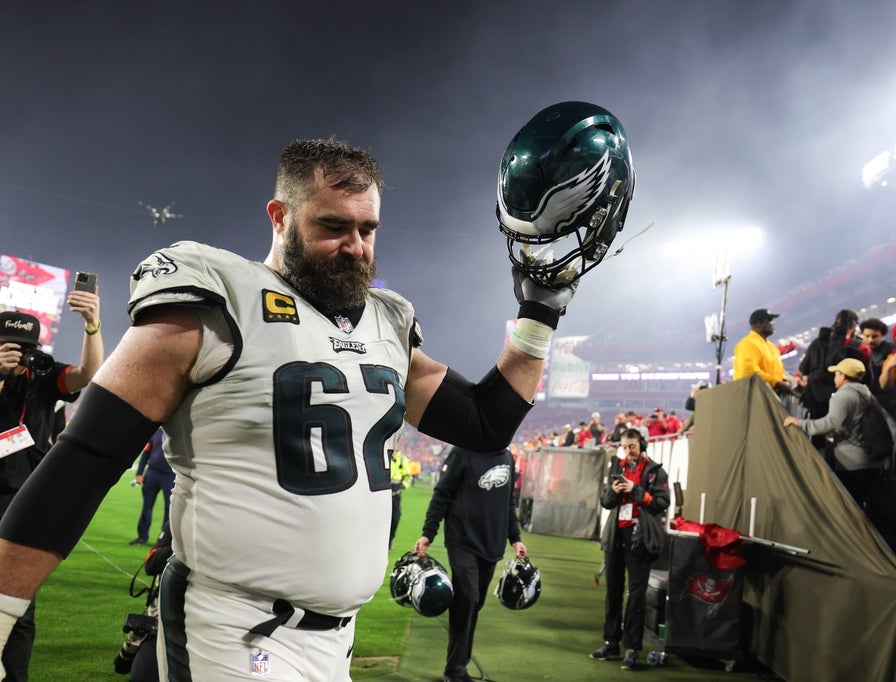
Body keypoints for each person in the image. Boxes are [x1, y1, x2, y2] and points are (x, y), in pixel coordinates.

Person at [0, 102, 634, 681]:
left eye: (368, 229)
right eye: (334, 226)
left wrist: (541, 308)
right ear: (280, 216)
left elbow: (483, 423)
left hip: (335, 643)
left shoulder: (387, 321)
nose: (355, 247)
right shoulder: (216, 298)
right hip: (229, 633)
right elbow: (86, 459)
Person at [0, 290, 103, 681]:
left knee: (18, 603)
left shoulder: (41, 377)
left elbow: (89, 374)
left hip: (25, 500)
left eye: (28, 348)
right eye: (11, 347)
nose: (21, 355)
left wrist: (92, 325)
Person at [414, 447, 526, 682]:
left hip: (492, 545)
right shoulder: (462, 453)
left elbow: (508, 504)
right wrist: (428, 533)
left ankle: (459, 665)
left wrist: (515, 538)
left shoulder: (507, 457)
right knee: (466, 600)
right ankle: (454, 670)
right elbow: (442, 494)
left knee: (474, 605)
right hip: (462, 541)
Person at [590, 428, 669, 670]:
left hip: (640, 538)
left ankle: (632, 648)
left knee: (636, 596)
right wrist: (615, 491)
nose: (628, 451)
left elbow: (661, 504)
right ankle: (611, 643)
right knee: (613, 592)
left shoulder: (656, 471)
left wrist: (635, 491)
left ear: (642, 445)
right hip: (616, 536)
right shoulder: (617, 467)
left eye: (632, 446)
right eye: (625, 446)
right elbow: (605, 502)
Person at [783, 359, 882, 506]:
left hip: (852, 462)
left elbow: (829, 423)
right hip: (870, 459)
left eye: (836, 374)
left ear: (843, 376)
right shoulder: (866, 394)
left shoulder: (843, 396)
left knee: (848, 507)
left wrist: (799, 423)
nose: (834, 377)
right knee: (859, 504)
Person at [798, 309, 871, 420]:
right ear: (853, 325)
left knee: (818, 432)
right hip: (844, 403)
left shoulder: (817, 342)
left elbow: (803, 369)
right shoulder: (858, 347)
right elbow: (868, 378)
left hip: (814, 401)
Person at [733, 308, 795, 396]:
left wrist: (786, 380)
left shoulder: (772, 347)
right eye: (770, 320)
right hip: (753, 399)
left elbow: (778, 372)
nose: (773, 323)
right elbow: (748, 371)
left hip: (770, 396)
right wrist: (775, 383)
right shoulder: (747, 344)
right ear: (759, 323)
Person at [130, 428, 175, 546]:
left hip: (170, 475)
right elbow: (146, 453)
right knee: (147, 506)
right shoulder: (155, 432)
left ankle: (163, 541)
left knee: (169, 509)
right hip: (152, 473)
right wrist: (139, 473)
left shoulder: (178, 432)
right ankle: (142, 537)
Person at [860, 318, 896, 414]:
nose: (870, 340)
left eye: (874, 337)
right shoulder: (858, 353)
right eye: (867, 336)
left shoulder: (892, 351)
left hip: (891, 402)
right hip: (869, 403)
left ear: (882, 336)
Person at [389, 448, 413, 549]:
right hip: (383, 494)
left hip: (396, 495)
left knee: (395, 519)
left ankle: (389, 541)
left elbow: (408, 477)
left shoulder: (402, 459)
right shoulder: (383, 457)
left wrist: (401, 486)